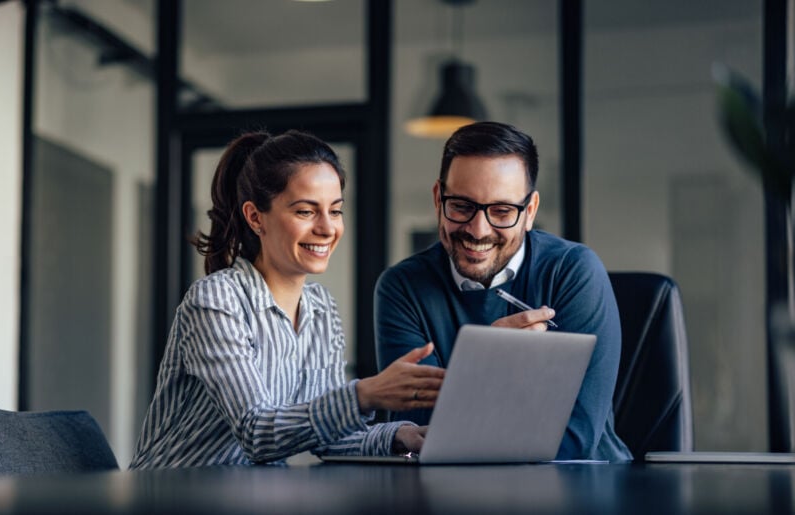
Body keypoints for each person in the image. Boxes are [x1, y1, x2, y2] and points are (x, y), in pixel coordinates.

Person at [130, 130, 445, 469]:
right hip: (171, 495)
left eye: (335, 211)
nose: (327, 228)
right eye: (306, 211)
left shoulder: (321, 308)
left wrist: (401, 436)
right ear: (255, 217)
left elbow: (326, 434)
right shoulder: (215, 301)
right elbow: (257, 433)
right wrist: (365, 394)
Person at [374, 121, 632, 462]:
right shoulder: (401, 288)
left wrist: (467, 397)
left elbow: (576, 436)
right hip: (453, 493)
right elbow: (423, 435)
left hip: (583, 486)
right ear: (439, 199)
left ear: (530, 212)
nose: (478, 230)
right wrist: (487, 364)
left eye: (501, 211)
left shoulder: (574, 272)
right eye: (462, 206)